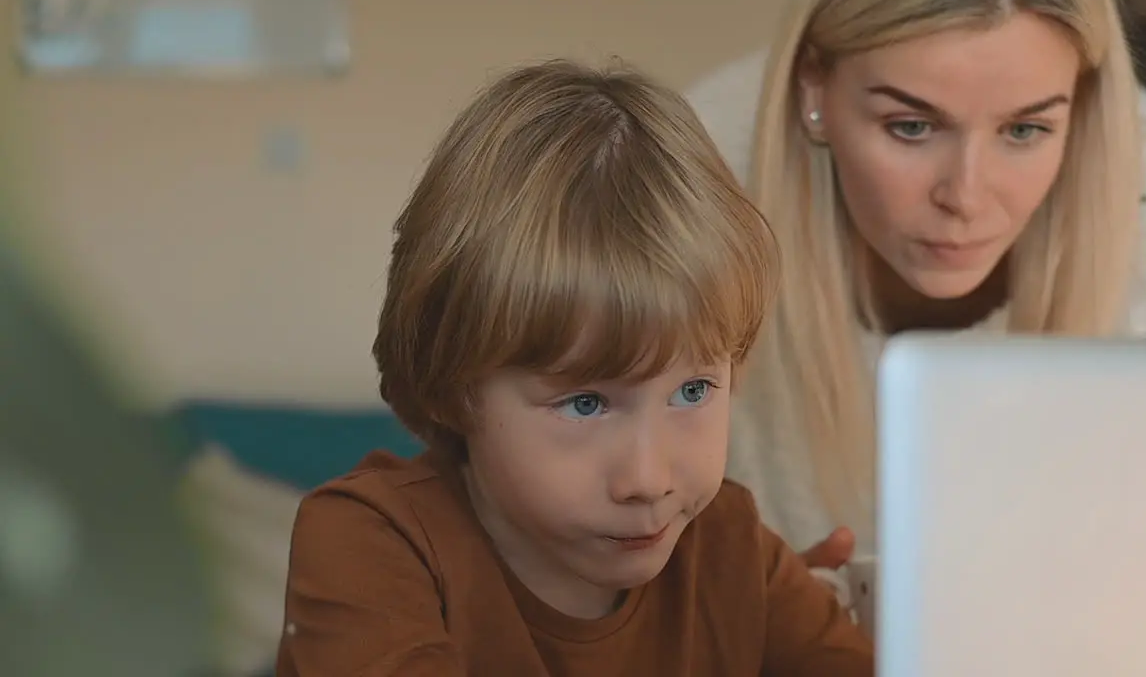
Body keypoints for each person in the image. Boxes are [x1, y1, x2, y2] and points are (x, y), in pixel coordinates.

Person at [275, 59, 875, 675]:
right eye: (585, 403)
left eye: (693, 390)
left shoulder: (732, 550)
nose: (648, 478)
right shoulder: (369, 542)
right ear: (454, 389)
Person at [684, 0, 1146, 583]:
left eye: (1025, 129)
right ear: (813, 88)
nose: (966, 196)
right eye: (911, 126)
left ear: (1083, 105)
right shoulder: (699, 200)